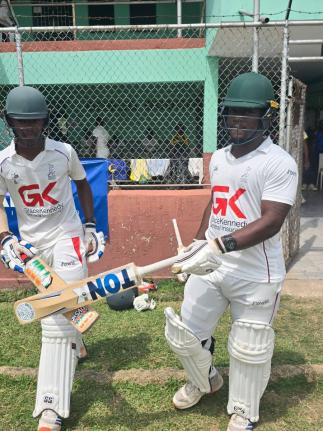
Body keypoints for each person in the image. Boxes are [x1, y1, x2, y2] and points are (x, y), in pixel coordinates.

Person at [165, 72, 298, 431]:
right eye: (232, 112)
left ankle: (243, 409)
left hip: (256, 273)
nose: (237, 120)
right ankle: (204, 379)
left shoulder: (278, 162)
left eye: (247, 113)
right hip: (212, 263)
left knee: (249, 345)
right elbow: (217, 204)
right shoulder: (220, 157)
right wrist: (195, 245)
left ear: (266, 117)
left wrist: (220, 245)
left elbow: (272, 220)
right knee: (186, 334)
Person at [0, 86, 106, 431]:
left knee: (53, 317)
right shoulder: (3, 161)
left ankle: (51, 409)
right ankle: (77, 332)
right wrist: (4, 237)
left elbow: (84, 186)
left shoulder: (64, 152)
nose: (27, 129)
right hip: (32, 245)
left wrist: (90, 225)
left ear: (44, 122)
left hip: (67, 235)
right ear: (9, 122)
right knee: (66, 306)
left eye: (34, 123)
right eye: (20, 123)